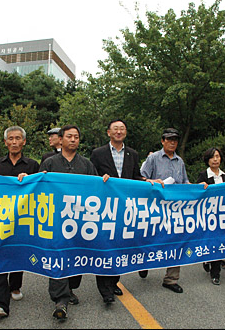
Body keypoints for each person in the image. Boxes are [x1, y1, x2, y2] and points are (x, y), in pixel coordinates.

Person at [90, 119, 162, 304]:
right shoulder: (98, 153)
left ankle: (114, 282)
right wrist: (100, 179)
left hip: (124, 208)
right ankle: (105, 290)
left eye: (122, 129)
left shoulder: (132, 154)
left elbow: (135, 176)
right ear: (108, 132)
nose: (119, 131)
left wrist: (147, 181)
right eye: (115, 129)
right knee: (105, 245)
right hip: (105, 208)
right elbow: (90, 178)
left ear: (126, 132)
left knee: (120, 246)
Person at [39, 124, 98, 320]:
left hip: (80, 221)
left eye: (76, 137)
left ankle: (70, 288)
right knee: (58, 256)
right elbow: (38, 187)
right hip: (56, 220)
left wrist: (106, 181)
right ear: (61, 139)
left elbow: (96, 188)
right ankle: (60, 300)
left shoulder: (87, 165)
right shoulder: (49, 163)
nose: (73, 140)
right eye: (69, 136)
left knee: (77, 257)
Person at [0, 126, 40, 318]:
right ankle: (0, 304)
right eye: (11, 138)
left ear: (24, 142)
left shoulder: (33, 165)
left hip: (23, 219)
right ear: (5, 142)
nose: (15, 142)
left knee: (18, 254)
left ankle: (15, 286)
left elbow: (41, 191)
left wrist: (29, 181)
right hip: (0, 218)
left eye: (18, 138)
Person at [139, 128, 189, 294]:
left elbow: (184, 182)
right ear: (162, 141)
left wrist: (201, 188)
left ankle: (171, 279)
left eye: (175, 139)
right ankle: (144, 262)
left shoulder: (179, 161)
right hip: (154, 207)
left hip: (174, 208)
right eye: (169, 139)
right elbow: (141, 178)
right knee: (150, 238)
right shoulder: (153, 158)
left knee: (176, 241)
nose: (172, 142)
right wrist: (152, 181)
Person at [197, 147, 225, 285]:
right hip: (208, 215)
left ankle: (216, 273)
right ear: (207, 160)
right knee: (209, 240)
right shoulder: (203, 175)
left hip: (222, 215)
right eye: (212, 157)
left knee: (219, 242)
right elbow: (197, 193)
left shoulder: (224, 176)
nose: (215, 159)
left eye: (217, 156)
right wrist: (200, 186)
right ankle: (207, 259)